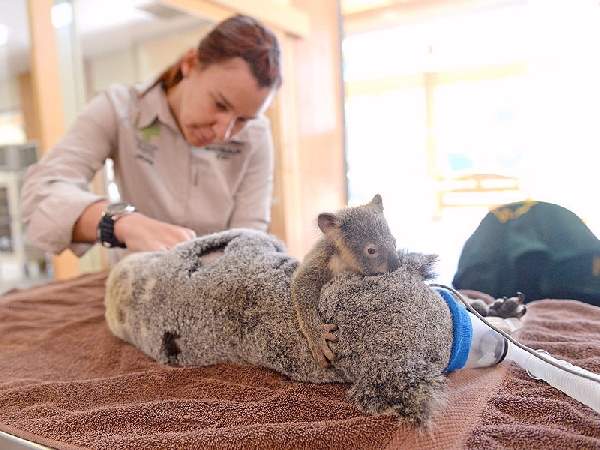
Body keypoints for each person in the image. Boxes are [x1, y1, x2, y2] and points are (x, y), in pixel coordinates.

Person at [21, 14, 281, 259]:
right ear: (190, 64)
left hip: (216, 291)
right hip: (139, 288)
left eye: (243, 120)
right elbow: (40, 196)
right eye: (220, 104)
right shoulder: (120, 109)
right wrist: (121, 223)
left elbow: (249, 240)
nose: (223, 133)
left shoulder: (256, 137)